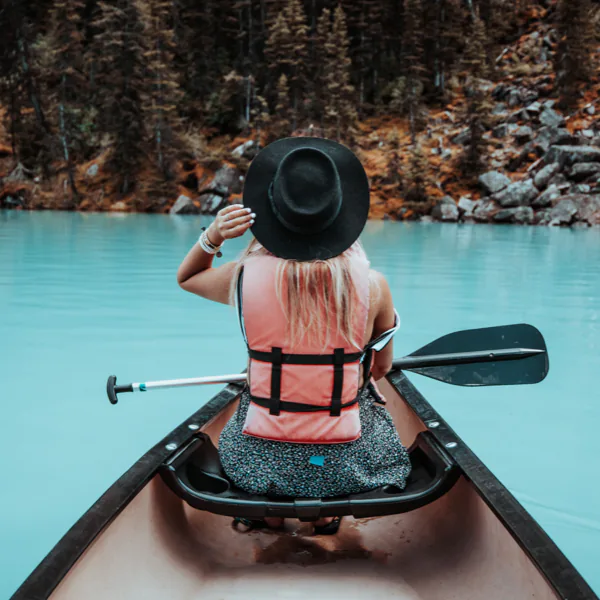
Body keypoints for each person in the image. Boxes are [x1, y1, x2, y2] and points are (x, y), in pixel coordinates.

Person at [177, 137, 411, 535]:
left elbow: (188, 278)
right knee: (371, 415)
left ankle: (267, 513)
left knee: (254, 411)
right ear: (341, 217)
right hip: (344, 468)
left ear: (270, 215)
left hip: (254, 463)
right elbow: (380, 369)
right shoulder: (374, 287)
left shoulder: (243, 277)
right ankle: (325, 513)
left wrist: (212, 236)